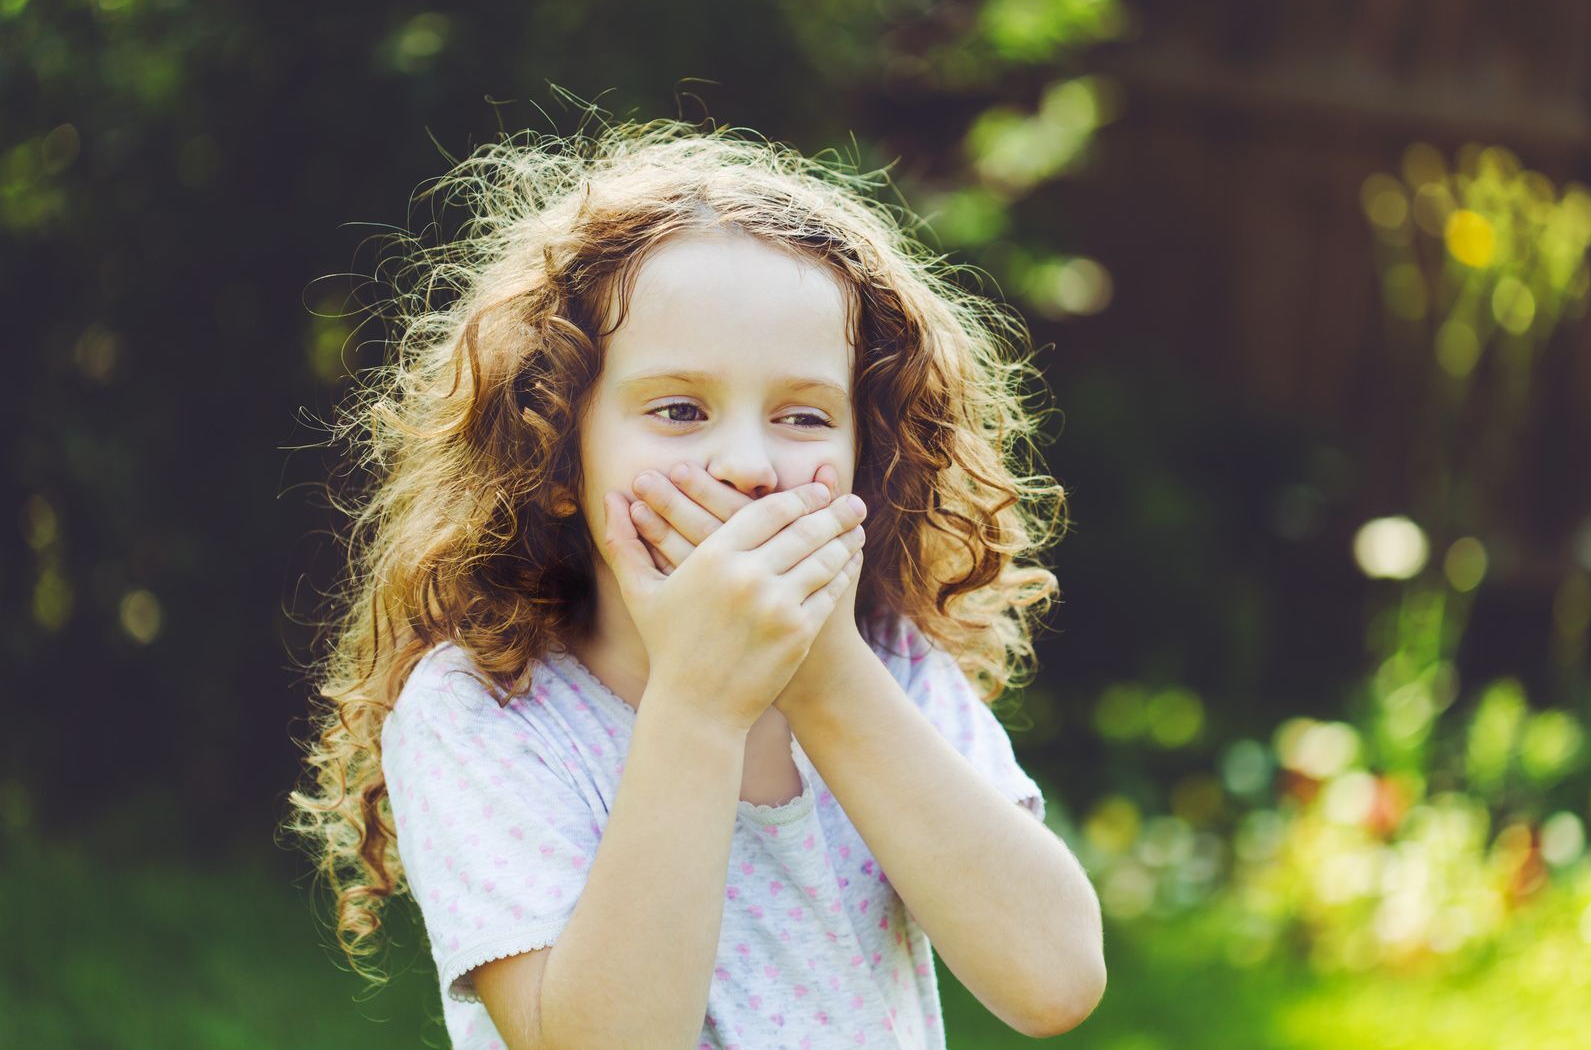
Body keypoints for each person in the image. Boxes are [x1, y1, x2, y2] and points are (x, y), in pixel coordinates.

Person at [285, 112, 1103, 1049]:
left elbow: (1055, 980)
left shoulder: (891, 669)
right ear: (555, 460)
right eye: (680, 409)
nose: (750, 463)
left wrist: (825, 676)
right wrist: (702, 700)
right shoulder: (485, 713)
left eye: (803, 417)